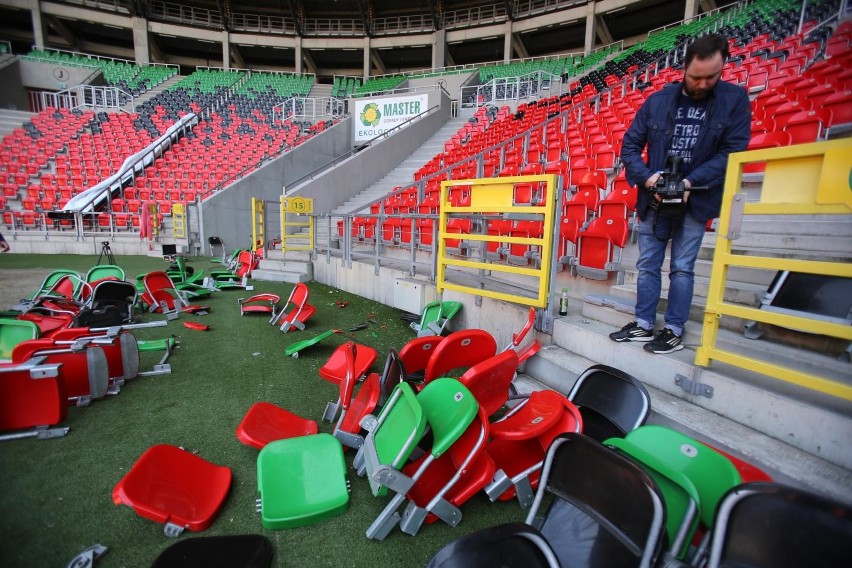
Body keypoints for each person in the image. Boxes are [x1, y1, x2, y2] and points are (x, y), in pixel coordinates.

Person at [610, 33, 751, 354]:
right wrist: (648, 179)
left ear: (723, 67)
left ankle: (673, 328)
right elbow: (630, 145)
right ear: (684, 68)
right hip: (654, 198)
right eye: (695, 77)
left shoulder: (735, 100)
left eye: (711, 77)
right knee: (647, 265)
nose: (702, 84)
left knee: (682, 268)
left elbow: (732, 152)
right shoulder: (658, 100)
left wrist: (689, 183)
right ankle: (644, 324)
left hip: (696, 199)